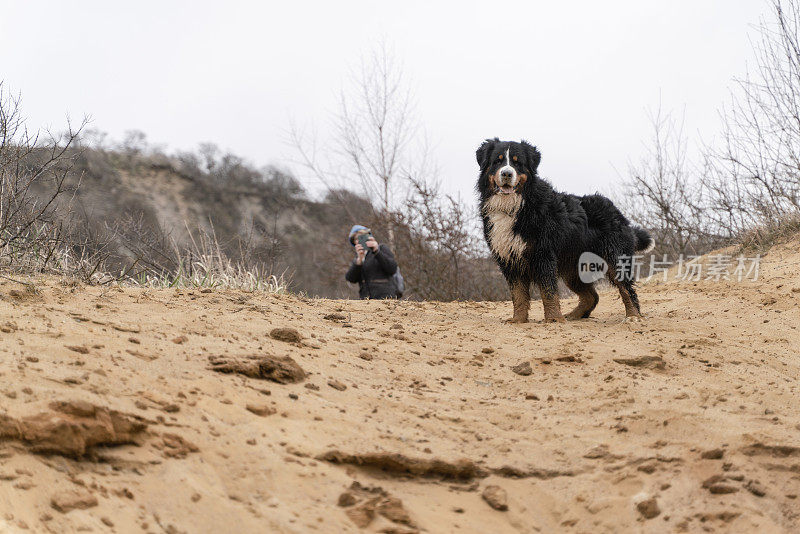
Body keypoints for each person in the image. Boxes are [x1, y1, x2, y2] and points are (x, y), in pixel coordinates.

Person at [345, 225, 399, 299]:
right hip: (366, 300)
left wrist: (377, 252)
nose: (360, 240)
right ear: (354, 242)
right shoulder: (357, 258)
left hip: (386, 298)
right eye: (357, 239)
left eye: (363, 237)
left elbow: (392, 268)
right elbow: (350, 278)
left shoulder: (382, 248)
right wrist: (359, 261)